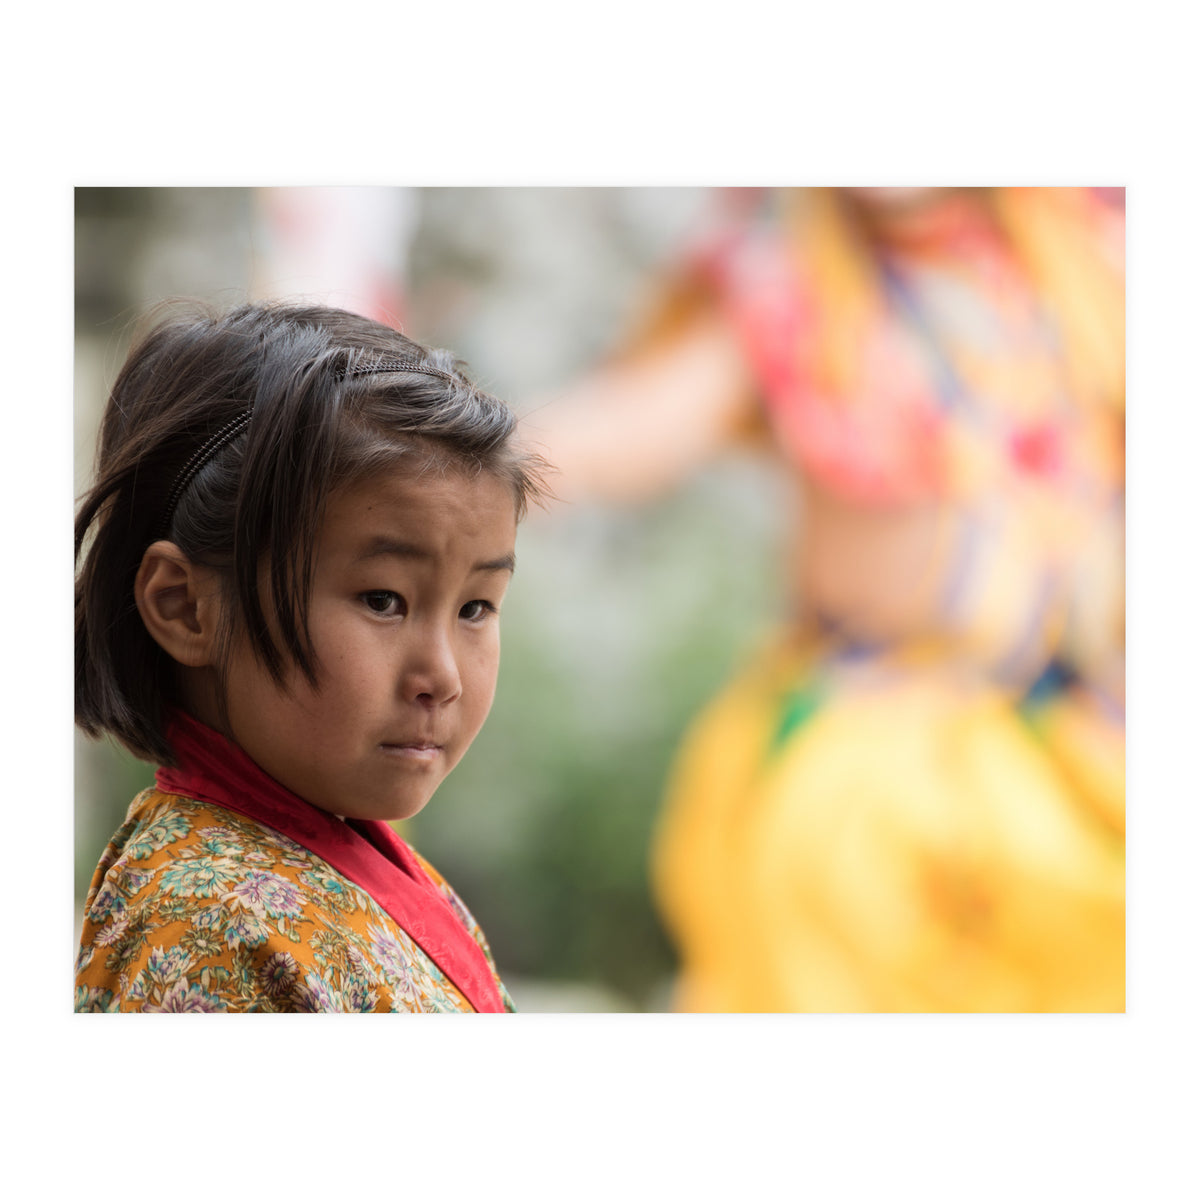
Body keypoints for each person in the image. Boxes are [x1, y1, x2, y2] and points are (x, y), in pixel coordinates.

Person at [530, 187, 1124, 1012]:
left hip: (1075, 750)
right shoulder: (786, 281)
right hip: (871, 764)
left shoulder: (1090, 268)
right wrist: (458, 462)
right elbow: (633, 429)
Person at [74, 301, 548, 1013]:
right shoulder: (211, 929)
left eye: (475, 607)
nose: (443, 677)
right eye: (383, 600)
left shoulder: (353, 859)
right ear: (185, 607)